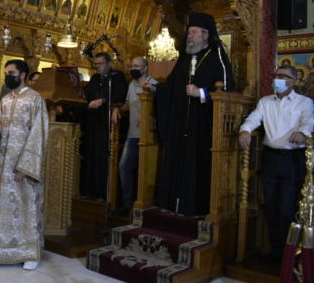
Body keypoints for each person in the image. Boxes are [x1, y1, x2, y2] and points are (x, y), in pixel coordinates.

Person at [144, 12, 234, 216]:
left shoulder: (217, 56)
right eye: (189, 32)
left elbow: (227, 89)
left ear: (205, 34)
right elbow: (171, 85)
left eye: (194, 32)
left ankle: (194, 206)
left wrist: (201, 93)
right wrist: (156, 89)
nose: (190, 36)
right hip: (179, 122)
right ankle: (172, 202)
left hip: (202, 122)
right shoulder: (184, 58)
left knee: (195, 163)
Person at [239, 65, 314, 262]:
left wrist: (303, 132)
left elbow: (309, 121)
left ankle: (288, 256)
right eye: (276, 75)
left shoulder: (304, 102)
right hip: (271, 158)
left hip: (292, 159)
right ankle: (275, 253)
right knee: (271, 206)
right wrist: (245, 130)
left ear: (293, 81)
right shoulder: (265, 101)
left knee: (287, 207)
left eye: (283, 76)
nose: (277, 79)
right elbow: (254, 118)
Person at [0, 59, 48, 271]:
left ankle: (29, 252)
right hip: (5, 163)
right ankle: (5, 251)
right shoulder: (5, 100)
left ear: (22, 75)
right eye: (6, 73)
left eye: (11, 73)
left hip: (23, 163)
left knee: (26, 205)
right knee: (6, 206)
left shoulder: (35, 99)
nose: (7, 76)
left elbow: (39, 134)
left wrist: (25, 166)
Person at [112, 57, 157, 213]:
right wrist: (117, 109)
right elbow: (128, 105)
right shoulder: (132, 84)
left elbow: (160, 107)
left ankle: (145, 204)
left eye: (136, 66)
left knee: (145, 171)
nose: (133, 69)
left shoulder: (153, 84)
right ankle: (128, 204)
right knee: (124, 166)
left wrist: (147, 114)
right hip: (132, 134)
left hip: (148, 136)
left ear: (145, 67)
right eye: (131, 66)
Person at [80, 52, 127, 200]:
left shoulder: (117, 76)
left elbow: (121, 95)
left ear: (108, 64)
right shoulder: (95, 78)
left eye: (100, 64)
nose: (97, 67)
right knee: (91, 155)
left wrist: (103, 100)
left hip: (107, 122)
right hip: (93, 122)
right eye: (95, 64)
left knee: (103, 156)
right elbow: (86, 95)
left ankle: (103, 191)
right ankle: (90, 190)